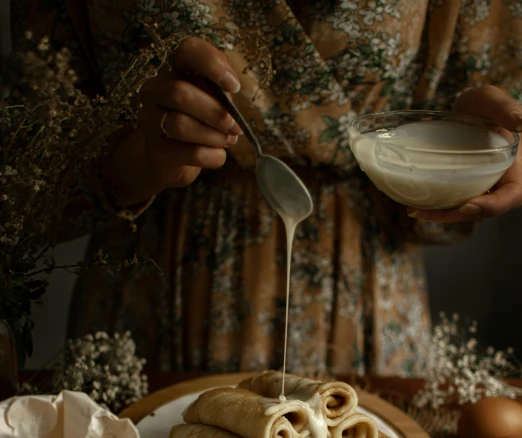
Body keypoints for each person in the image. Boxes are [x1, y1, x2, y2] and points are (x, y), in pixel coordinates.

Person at [13, 1, 522, 377]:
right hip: (146, 312)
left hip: (366, 321)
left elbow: (490, 115)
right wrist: (134, 163)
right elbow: (22, 183)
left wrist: (465, 152)